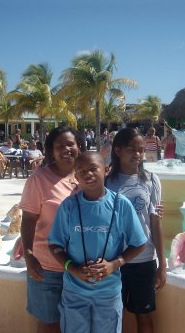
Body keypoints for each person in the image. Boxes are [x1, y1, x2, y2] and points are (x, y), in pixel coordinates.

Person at [48, 151, 147, 333]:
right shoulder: (68, 206)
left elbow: (139, 242)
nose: (88, 174)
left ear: (106, 170)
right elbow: (54, 245)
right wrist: (73, 268)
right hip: (74, 292)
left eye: (93, 169)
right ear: (76, 176)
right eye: (81, 171)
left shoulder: (121, 204)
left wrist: (114, 264)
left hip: (108, 293)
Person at [19, 126, 83, 333]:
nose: (66, 149)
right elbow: (28, 220)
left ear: (79, 147)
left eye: (70, 144)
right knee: (49, 323)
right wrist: (29, 255)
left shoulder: (88, 177)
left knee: (78, 322)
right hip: (47, 267)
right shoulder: (38, 179)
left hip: (80, 267)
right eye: (60, 146)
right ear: (51, 151)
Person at [105, 127, 166, 333]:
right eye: (132, 149)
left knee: (145, 316)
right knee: (113, 315)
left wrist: (162, 265)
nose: (138, 154)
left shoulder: (151, 180)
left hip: (144, 260)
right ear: (118, 150)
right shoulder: (105, 181)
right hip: (113, 261)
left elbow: (155, 223)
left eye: (141, 150)